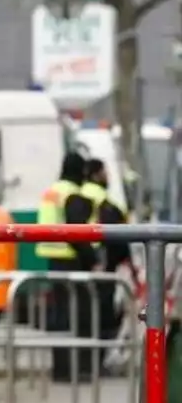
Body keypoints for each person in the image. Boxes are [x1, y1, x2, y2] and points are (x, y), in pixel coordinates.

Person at [36, 152, 100, 383]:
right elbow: (77, 232)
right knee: (78, 315)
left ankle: (60, 369)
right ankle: (77, 370)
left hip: (53, 258)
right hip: (71, 259)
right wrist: (93, 259)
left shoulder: (53, 191)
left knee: (60, 315)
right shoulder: (72, 194)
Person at [81, 158, 130, 369]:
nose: (108, 176)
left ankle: (88, 362)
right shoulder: (103, 200)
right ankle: (98, 362)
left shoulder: (80, 193)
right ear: (96, 174)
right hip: (102, 263)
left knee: (85, 315)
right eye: (105, 172)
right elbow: (116, 235)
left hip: (84, 262)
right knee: (103, 316)